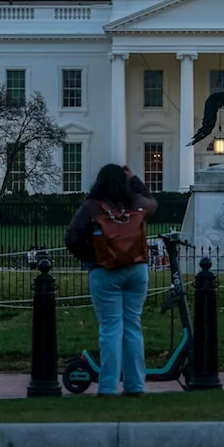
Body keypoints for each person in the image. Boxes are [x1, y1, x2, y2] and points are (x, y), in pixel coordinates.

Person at [65, 163, 157, 397]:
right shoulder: (136, 204)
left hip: (105, 271)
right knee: (133, 326)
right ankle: (135, 385)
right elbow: (152, 202)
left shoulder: (92, 207)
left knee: (110, 328)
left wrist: (93, 257)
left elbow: (72, 238)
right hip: (136, 269)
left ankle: (108, 387)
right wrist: (134, 179)